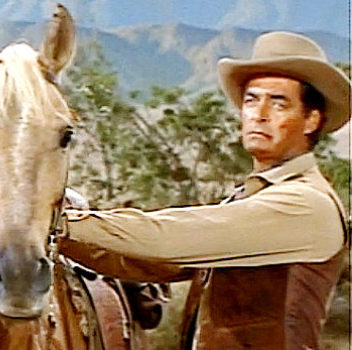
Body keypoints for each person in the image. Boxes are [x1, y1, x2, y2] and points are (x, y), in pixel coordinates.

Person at [59, 31, 350, 349]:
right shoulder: (250, 197)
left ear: (311, 120)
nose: (259, 113)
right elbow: (151, 263)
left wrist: (63, 222)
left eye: (278, 103)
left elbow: (168, 238)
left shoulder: (306, 203)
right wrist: (58, 238)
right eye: (251, 99)